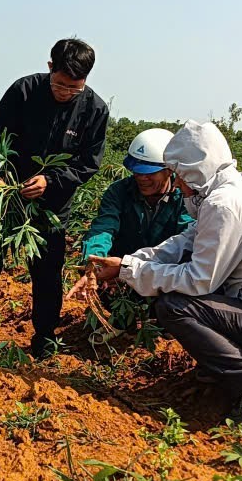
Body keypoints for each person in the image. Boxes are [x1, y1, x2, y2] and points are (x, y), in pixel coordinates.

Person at [89, 120, 242, 417]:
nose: (177, 184)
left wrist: (129, 271)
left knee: (175, 306)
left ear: (192, 172)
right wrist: (129, 262)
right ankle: (224, 370)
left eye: (179, 176)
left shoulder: (224, 204)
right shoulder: (229, 192)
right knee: (188, 294)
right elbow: (183, 242)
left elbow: (198, 280)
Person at [0, 37, 109, 358]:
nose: (66, 92)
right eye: (60, 84)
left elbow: (87, 164)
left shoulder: (94, 110)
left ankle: (44, 338)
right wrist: (1, 177)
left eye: (74, 88)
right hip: (8, 198)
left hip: (52, 206)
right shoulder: (23, 92)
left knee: (47, 273)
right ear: (50, 68)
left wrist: (51, 181)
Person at [67, 128, 195, 332]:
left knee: (176, 298)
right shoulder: (119, 191)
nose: (141, 178)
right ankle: (124, 321)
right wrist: (94, 261)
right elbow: (104, 227)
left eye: (148, 173)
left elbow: (187, 242)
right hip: (121, 275)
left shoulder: (185, 199)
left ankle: (166, 322)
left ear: (169, 170)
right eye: (136, 171)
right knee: (108, 288)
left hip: (162, 275)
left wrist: (139, 269)